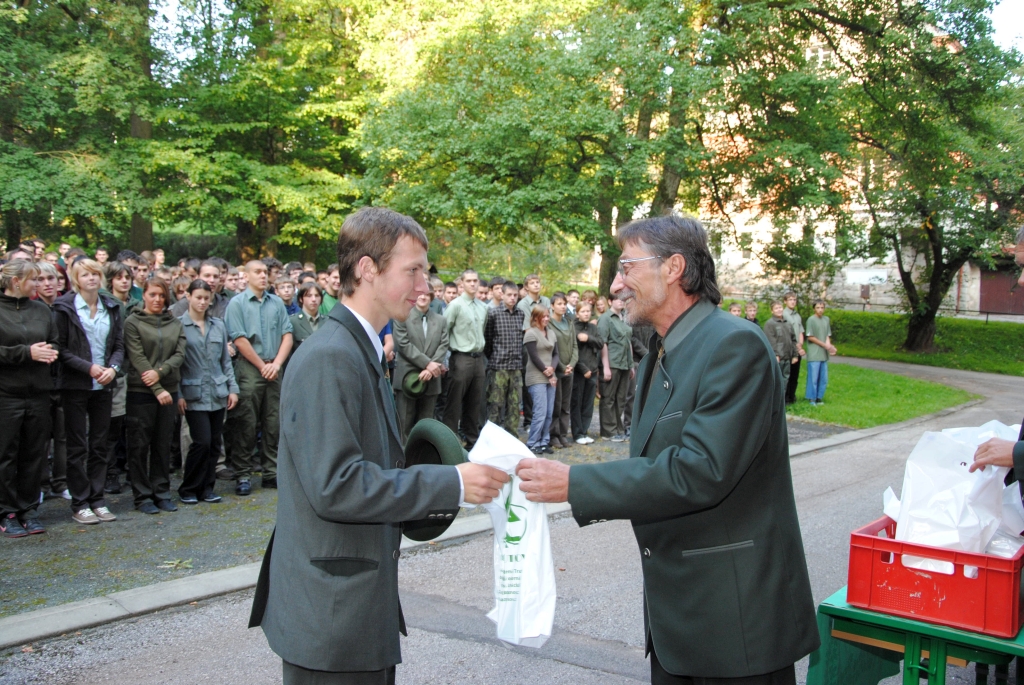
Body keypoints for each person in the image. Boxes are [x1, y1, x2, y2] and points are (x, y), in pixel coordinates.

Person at [516, 213, 819, 684]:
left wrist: (575, 482)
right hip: (679, 621)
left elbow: (699, 471)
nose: (616, 284)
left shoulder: (734, 344)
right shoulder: (665, 349)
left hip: (735, 624)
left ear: (674, 268)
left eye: (627, 267)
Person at [248, 206, 508, 684]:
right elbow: (337, 486)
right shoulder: (331, 356)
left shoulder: (356, 348)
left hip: (351, 608)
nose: (425, 286)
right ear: (367, 269)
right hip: (332, 619)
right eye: (413, 271)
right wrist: (451, 483)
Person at [53, 259, 124, 525]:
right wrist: (89, 368)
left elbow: (118, 345)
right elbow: (60, 349)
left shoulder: (111, 306)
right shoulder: (64, 308)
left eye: (95, 273)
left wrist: (113, 368)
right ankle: (80, 502)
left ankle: (97, 499)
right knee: (77, 446)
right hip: (75, 385)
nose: (91, 278)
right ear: (75, 279)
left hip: (104, 384)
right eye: (85, 275)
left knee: (100, 444)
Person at [0, 260, 59, 537]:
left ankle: (29, 509)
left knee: (34, 453)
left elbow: (54, 341)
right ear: (16, 281)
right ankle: (7, 512)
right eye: (34, 279)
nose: (39, 284)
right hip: (6, 395)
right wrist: (26, 353)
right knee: (5, 454)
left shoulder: (41, 310)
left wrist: (49, 351)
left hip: (38, 393)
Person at [224, 260, 293, 494]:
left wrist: (277, 364)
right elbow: (239, 339)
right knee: (246, 422)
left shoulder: (277, 303)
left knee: (274, 423)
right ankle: (243, 474)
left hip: (275, 366)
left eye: (265, 272)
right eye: (258, 272)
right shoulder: (237, 303)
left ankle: (271, 472)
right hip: (249, 368)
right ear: (246, 276)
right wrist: (262, 365)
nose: (263, 276)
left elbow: (287, 335)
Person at [124, 277, 186, 514]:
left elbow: (179, 354)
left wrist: (160, 374)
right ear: (144, 296)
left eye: (161, 295)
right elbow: (137, 356)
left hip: (168, 389)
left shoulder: (175, 323)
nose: (157, 299)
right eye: (152, 295)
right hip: (141, 391)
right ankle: (142, 497)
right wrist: (156, 388)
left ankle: (161, 492)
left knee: (163, 443)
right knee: (139, 445)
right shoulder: (132, 322)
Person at [177, 280, 239, 505]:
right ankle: (189, 487)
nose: (202, 302)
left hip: (217, 390)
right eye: (198, 297)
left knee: (214, 443)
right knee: (201, 442)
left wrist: (233, 388)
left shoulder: (218, 325)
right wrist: (178, 394)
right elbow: (176, 364)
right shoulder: (179, 325)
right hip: (193, 392)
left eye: (206, 298)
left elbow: (225, 361)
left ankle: (207, 488)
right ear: (188, 297)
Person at [392, 289, 449, 443]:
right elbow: (403, 344)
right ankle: (404, 454)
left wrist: (431, 368)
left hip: (432, 377)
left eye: (426, 294)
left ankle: (422, 453)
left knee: (426, 422)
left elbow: (444, 344)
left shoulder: (441, 320)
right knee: (404, 421)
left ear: (431, 298)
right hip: (408, 377)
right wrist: (427, 364)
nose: (423, 297)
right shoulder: (402, 316)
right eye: (419, 294)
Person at [442, 269, 489, 449]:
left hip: (478, 359)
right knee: (454, 402)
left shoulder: (483, 307)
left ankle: (472, 442)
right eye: (468, 281)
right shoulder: (455, 305)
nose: (472, 284)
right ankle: (449, 443)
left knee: (475, 402)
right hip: (461, 358)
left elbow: (483, 331)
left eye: (475, 280)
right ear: (462, 283)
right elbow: (444, 332)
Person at [101, 262, 137, 494]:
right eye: (119, 277)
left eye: (127, 277)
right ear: (110, 280)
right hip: (114, 371)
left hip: (135, 372)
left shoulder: (137, 304)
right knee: (111, 428)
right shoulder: (104, 303)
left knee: (134, 426)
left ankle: (134, 472)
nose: (124, 281)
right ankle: (110, 473)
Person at [35, 262, 70, 501]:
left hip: (65, 380)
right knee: (39, 438)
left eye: (52, 278)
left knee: (64, 436)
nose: (48, 283)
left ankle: (61, 482)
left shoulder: (66, 308)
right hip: (39, 382)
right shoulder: (31, 310)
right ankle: (40, 484)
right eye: (41, 279)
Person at [484, 281, 525, 436]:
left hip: (516, 366)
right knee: (495, 404)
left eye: (515, 295)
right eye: (509, 295)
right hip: (498, 366)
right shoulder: (493, 314)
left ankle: (511, 437)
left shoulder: (520, 314)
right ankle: (491, 438)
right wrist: (494, 356)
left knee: (514, 405)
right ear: (502, 295)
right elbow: (488, 339)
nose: (512, 298)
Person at [523, 306, 559, 454]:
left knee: (549, 412)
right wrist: (547, 372)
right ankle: (533, 442)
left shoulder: (551, 333)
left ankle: (544, 441)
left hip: (550, 375)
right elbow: (534, 356)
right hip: (536, 376)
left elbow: (556, 354)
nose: (546, 319)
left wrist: (552, 369)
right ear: (535, 317)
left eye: (547, 316)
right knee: (540, 412)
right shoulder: (530, 333)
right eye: (542, 316)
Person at [597, 292, 632, 442]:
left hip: (625, 363)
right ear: (610, 301)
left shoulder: (625, 317)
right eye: (617, 299)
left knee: (621, 398)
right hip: (612, 362)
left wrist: (631, 365)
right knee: (609, 397)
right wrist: (605, 366)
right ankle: (608, 431)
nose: (621, 302)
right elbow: (602, 343)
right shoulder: (605, 318)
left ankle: (618, 428)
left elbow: (628, 341)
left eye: (623, 299)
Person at [548, 292, 578, 449]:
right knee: (556, 403)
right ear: (552, 306)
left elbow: (574, 346)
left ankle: (563, 434)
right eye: (559, 304)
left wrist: (571, 364)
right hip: (557, 369)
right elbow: (550, 349)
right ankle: (553, 435)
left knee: (565, 405)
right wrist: (561, 366)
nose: (563, 306)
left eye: (564, 304)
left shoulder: (569, 322)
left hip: (569, 369)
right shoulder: (549, 324)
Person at [570, 301, 603, 444]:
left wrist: (588, 338)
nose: (586, 314)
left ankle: (584, 431)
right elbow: (572, 352)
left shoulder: (592, 328)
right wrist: (583, 369)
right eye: (583, 311)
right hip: (579, 371)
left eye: (588, 311)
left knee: (588, 403)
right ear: (577, 313)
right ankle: (577, 433)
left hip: (593, 370)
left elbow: (601, 343)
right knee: (577, 403)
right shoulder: (573, 327)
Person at [804, 299, 837, 406]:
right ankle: (811, 398)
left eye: (822, 308)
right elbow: (810, 336)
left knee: (823, 378)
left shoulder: (826, 319)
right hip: (814, 353)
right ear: (814, 308)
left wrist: (829, 347)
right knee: (813, 377)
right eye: (818, 308)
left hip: (823, 354)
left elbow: (827, 335)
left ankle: (819, 397)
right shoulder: (811, 320)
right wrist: (824, 345)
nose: (820, 310)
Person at [763, 300, 798, 390]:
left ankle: (783, 397)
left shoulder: (788, 323)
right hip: (778, 358)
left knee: (785, 378)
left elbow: (793, 339)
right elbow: (771, 341)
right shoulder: (770, 324)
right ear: (772, 311)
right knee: (775, 379)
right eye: (776, 308)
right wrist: (775, 354)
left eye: (780, 307)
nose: (779, 310)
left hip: (787, 357)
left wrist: (795, 354)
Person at [782, 292, 805, 405]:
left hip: (797, 348)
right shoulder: (784, 314)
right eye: (790, 299)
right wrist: (795, 346)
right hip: (789, 348)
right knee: (788, 374)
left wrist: (800, 345)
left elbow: (800, 331)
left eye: (794, 300)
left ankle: (792, 396)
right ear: (785, 301)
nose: (793, 302)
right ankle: (785, 397)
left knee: (795, 374)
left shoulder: (797, 315)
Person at [288, 282, 323, 354]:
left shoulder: (328, 321)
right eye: (309, 296)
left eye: (317, 295)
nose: (314, 299)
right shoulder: (293, 321)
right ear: (301, 299)